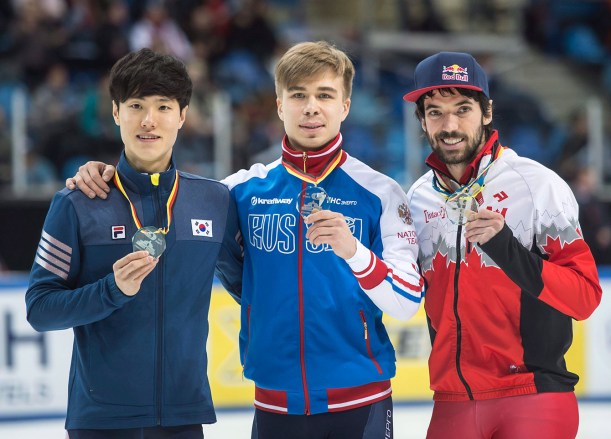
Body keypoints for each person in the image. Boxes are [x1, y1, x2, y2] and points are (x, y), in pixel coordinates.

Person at [67, 41, 424, 439]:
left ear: (345, 105)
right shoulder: (238, 191)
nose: (311, 108)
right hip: (274, 403)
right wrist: (104, 175)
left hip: (362, 402)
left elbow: (407, 301)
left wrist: (354, 252)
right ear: (279, 104)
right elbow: (162, 193)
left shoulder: (382, 193)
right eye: (298, 96)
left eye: (325, 95)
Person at [26, 48, 242, 439]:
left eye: (163, 106)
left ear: (183, 116)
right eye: (136, 104)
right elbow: (40, 310)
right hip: (101, 422)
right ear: (115, 112)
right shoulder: (77, 202)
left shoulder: (215, 202)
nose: (148, 120)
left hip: (184, 417)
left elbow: (251, 287)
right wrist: (112, 290)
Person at [403, 51, 603, 439]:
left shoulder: (536, 185)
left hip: (532, 395)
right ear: (422, 121)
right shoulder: (416, 199)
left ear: (487, 111)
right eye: (435, 112)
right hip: (453, 400)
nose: (449, 125)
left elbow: (585, 297)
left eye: (463, 109)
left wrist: (507, 248)